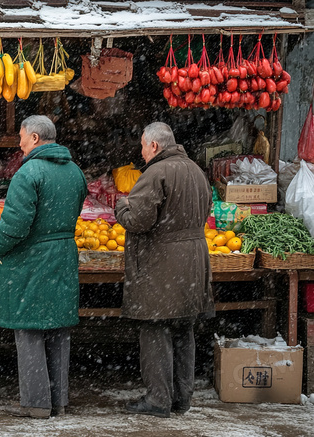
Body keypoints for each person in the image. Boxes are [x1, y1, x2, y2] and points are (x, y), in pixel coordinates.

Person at [0, 115, 87, 419]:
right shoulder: (75, 172)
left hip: (31, 260)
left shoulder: (28, 173)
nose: (19, 142)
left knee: (29, 329)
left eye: (21, 136)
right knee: (58, 328)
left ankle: (36, 404)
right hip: (63, 256)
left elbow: (15, 225)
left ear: (33, 138)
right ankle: (57, 401)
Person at [115, 122, 214, 419]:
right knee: (184, 329)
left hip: (163, 263)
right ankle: (182, 398)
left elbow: (139, 220)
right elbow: (205, 210)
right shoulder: (195, 170)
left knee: (155, 329)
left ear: (154, 146)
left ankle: (158, 399)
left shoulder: (157, 172)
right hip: (194, 262)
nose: (141, 152)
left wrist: (121, 207)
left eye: (143, 146)